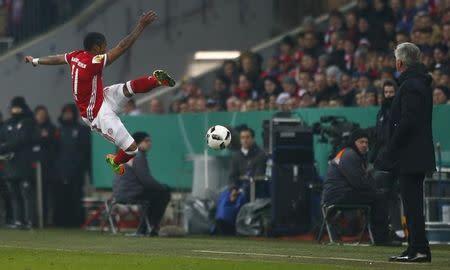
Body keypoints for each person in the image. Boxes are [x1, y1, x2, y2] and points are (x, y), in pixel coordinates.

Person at [24, 10, 175, 176]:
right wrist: (141, 25)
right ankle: (115, 161)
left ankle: (156, 81)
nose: (106, 49)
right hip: (96, 115)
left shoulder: (77, 55)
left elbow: (58, 58)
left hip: (100, 97)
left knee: (127, 88)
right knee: (132, 149)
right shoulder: (93, 61)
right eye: (104, 46)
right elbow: (122, 47)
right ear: (96, 48)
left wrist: (36, 61)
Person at [386, 42, 435, 263]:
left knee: (412, 204)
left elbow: (408, 121)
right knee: (411, 203)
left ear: (400, 62)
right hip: (415, 153)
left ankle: (419, 249)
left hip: (410, 154)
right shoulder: (417, 82)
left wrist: (392, 145)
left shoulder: (411, 84)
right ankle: (414, 247)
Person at [322, 129, 395, 245]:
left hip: (338, 194)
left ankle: (381, 236)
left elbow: (362, 181)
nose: (365, 145)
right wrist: (376, 190)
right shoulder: (349, 155)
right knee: (379, 197)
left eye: (366, 142)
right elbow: (358, 183)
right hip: (339, 195)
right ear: (354, 142)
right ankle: (382, 239)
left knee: (378, 195)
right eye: (361, 142)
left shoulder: (350, 154)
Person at [112, 132, 171, 236]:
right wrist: (162, 187)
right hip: (131, 193)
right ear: (138, 143)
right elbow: (146, 180)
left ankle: (146, 227)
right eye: (146, 141)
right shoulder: (138, 156)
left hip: (119, 194)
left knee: (155, 194)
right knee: (164, 193)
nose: (150, 143)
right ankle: (150, 227)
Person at [0, 97, 36, 229]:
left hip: (24, 163)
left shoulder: (28, 122)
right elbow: (2, 139)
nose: (15, 110)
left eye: (18, 107)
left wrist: (6, 146)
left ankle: (30, 221)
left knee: (26, 193)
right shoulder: (7, 124)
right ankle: (18, 221)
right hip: (10, 164)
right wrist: (6, 147)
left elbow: (22, 139)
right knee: (14, 194)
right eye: (13, 107)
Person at [53, 104, 91, 227]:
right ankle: (61, 222)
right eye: (65, 113)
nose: (67, 115)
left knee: (76, 196)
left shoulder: (82, 130)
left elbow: (85, 151)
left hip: (76, 171)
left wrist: (81, 166)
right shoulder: (58, 130)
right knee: (61, 197)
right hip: (60, 171)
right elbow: (54, 151)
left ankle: (76, 222)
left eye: (69, 113)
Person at [33, 105, 58, 225]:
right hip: (33, 168)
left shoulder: (51, 128)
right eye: (39, 114)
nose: (41, 117)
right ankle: (34, 220)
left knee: (48, 194)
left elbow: (53, 147)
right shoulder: (31, 128)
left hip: (47, 167)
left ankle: (48, 220)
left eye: (43, 114)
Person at [229, 127, 267, 197]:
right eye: (242, 138)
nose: (245, 140)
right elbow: (232, 176)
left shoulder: (260, 155)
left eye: (247, 137)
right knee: (224, 199)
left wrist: (240, 191)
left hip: (252, 191)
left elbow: (257, 177)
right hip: (236, 190)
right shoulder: (236, 156)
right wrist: (233, 189)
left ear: (253, 139)